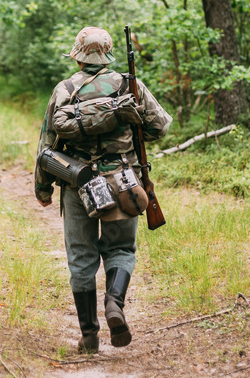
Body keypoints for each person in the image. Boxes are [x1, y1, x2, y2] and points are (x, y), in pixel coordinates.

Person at [34, 26, 172, 354]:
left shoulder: (64, 90)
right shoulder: (129, 85)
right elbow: (160, 126)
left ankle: (89, 336)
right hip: (123, 182)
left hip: (76, 182)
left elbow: (47, 143)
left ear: (78, 57)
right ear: (108, 54)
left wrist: (42, 188)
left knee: (81, 259)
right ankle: (115, 305)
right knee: (121, 249)